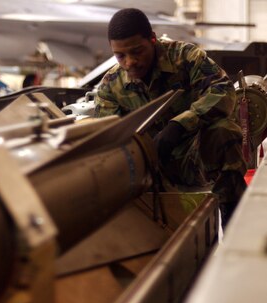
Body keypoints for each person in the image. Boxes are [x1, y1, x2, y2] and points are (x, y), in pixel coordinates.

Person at [94, 8, 247, 228]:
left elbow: (223, 90)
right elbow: (109, 137)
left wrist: (181, 124)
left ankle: (233, 220)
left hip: (194, 157)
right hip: (148, 169)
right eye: (120, 56)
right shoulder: (111, 85)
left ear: (153, 39)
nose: (130, 62)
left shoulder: (185, 58)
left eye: (137, 52)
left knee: (223, 132)